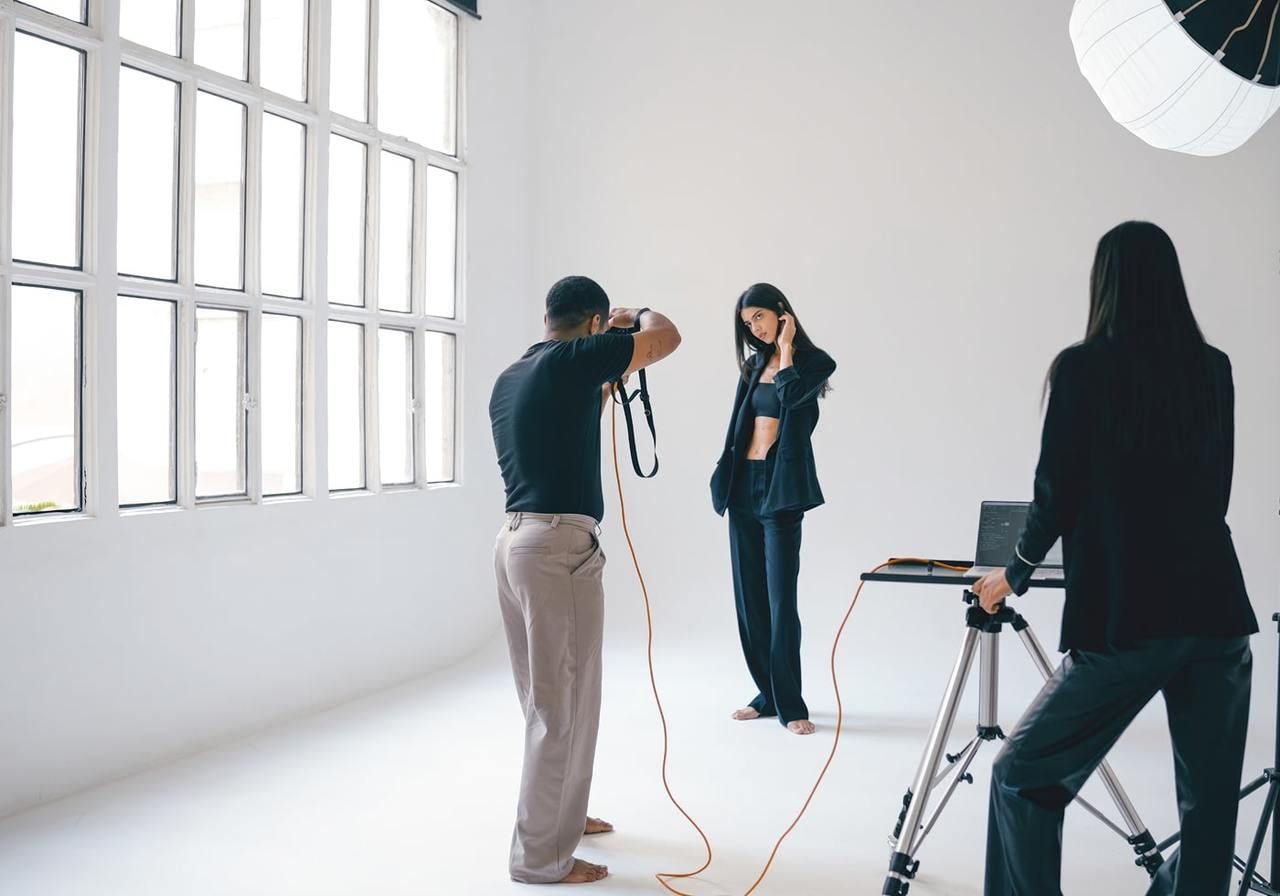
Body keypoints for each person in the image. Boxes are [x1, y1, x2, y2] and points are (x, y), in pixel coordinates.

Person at [972, 222, 1258, 895]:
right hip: (1218, 617)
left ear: (1104, 283)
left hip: (1130, 619)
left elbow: (1055, 494)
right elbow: (1216, 491)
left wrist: (1011, 573)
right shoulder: (1212, 368)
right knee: (1210, 815)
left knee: (1021, 776)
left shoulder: (1082, 368)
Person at [488, 276, 680, 885]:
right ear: (594, 323)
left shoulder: (515, 376)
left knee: (550, 703)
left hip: (516, 545)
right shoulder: (578, 357)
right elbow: (668, 337)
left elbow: (579, 419)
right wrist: (638, 313)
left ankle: (562, 818)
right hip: (558, 550)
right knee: (564, 707)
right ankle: (541, 859)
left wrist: (608, 369)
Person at [710, 283, 836, 736]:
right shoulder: (751, 365)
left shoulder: (814, 364)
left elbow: (790, 398)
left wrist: (785, 348)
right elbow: (739, 425)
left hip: (780, 489)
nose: (754, 329)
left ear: (782, 313)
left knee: (782, 600)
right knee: (750, 598)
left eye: (759, 318)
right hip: (743, 485)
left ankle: (790, 701)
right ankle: (766, 693)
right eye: (747, 324)